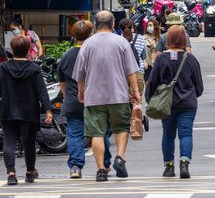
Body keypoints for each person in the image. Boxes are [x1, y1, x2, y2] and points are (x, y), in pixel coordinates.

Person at [71, 10, 143, 182]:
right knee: (121, 128)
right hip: (118, 95)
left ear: (95, 25)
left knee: (97, 133)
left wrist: (81, 91)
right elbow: (131, 71)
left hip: (94, 96)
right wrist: (135, 91)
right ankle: (119, 157)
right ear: (113, 25)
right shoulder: (122, 42)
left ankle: (101, 170)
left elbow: (80, 74)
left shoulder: (87, 44)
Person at [0, 34, 54, 185]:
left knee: (8, 141)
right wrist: (48, 110)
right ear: (28, 50)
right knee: (29, 142)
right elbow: (42, 91)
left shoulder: (4, 67)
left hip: (8, 110)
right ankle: (29, 172)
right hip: (29, 111)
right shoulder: (34, 69)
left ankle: (11, 174)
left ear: (12, 49)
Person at [146, 25, 203, 179]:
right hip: (187, 103)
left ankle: (169, 166)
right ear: (184, 39)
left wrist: (149, 99)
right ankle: (184, 163)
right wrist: (193, 95)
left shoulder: (160, 59)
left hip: (166, 104)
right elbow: (199, 85)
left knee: (168, 135)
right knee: (186, 134)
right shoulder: (190, 59)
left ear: (168, 39)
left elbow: (152, 82)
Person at [57, 20, 109, 179]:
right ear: (91, 34)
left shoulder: (66, 56)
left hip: (73, 101)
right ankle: (105, 164)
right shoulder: (97, 54)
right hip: (96, 100)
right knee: (100, 133)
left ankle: (75, 167)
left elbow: (62, 81)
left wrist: (67, 95)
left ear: (74, 35)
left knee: (74, 135)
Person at [119, 19, 147, 104]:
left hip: (122, 73)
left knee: (123, 100)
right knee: (136, 101)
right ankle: (136, 112)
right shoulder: (140, 38)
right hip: (138, 71)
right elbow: (144, 55)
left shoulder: (118, 40)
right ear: (132, 27)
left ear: (120, 29)